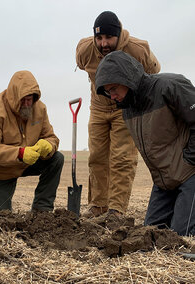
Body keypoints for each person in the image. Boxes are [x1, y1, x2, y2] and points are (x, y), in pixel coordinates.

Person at [95, 50, 195, 236]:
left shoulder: (170, 86)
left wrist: (189, 160)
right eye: (108, 92)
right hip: (163, 182)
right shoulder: (127, 109)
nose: (112, 96)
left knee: (182, 237)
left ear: (128, 79)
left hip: (190, 174)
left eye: (114, 89)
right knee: (146, 236)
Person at [76, 11, 161, 218]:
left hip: (126, 107)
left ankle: (116, 210)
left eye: (108, 38)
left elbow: (154, 71)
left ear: (119, 34)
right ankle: (98, 206)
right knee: (96, 157)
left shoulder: (138, 49)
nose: (103, 43)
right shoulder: (85, 50)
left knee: (122, 158)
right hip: (98, 107)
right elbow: (81, 65)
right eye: (99, 38)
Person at [0, 70, 64, 212]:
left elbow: (51, 137)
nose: (26, 104)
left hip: (25, 163)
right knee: (1, 216)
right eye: (22, 100)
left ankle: (42, 210)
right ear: (14, 96)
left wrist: (49, 145)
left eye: (29, 99)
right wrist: (20, 153)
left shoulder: (39, 108)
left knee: (56, 158)